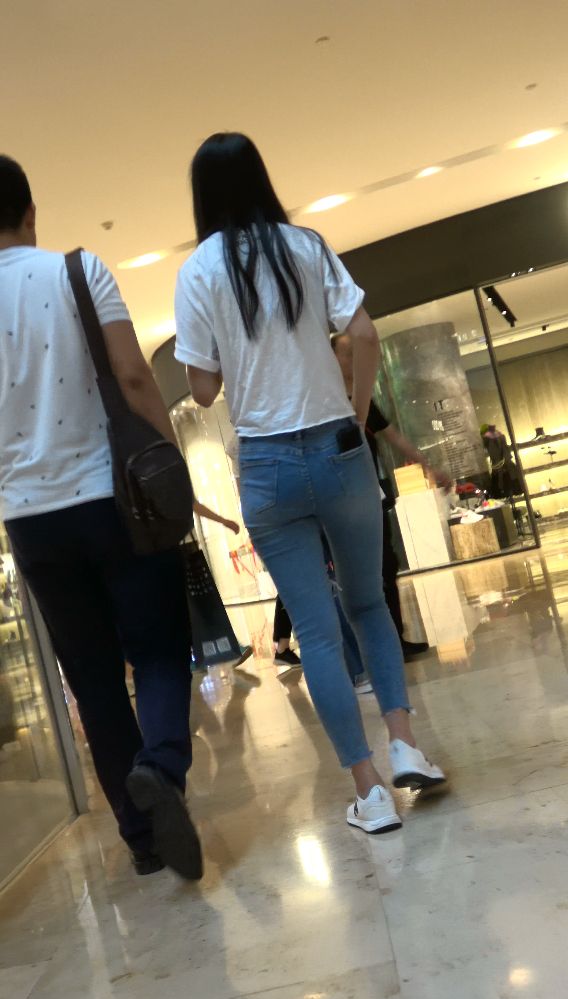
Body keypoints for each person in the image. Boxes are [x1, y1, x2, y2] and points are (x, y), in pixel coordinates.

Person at [175, 133, 445, 835]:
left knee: (319, 636)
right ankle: (405, 744)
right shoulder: (306, 246)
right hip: (337, 447)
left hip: (266, 468)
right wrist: (354, 415)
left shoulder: (199, 270)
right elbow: (363, 335)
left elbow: (201, 390)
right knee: (370, 605)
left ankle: (369, 792)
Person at [0, 156, 202, 879]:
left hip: (31, 521)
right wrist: (173, 467)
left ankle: (143, 840)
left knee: (91, 677)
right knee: (158, 648)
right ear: (31, 211)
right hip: (116, 498)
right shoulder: (79, 272)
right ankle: (162, 766)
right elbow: (135, 376)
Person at [331, 332, 452, 690]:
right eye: (347, 353)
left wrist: (429, 467)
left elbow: (393, 436)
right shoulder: (327, 402)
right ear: (332, 358)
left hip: (371, 493)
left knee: (387, 565)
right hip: (340, 500)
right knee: (356, 576)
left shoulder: (363, 400)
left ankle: (395, 639)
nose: (354, 359)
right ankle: (365, 652)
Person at [226, 434, 301, 669]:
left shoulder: (237, 443)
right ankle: (284, 645)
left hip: (264, 520)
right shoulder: (249, 439)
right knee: (294, 581)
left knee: (290, 582)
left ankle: (283, 645)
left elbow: (242, 490)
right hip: (280, 518)